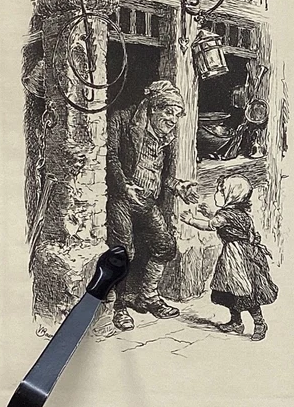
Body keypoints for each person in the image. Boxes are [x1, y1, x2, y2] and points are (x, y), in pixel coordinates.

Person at [107, 80, 198, 331]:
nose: (173, 120)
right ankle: (119, 307)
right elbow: (110, 157)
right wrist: (125, 185)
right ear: (153, 108)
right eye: (168, 112)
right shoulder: (123, 120)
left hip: (146, 201)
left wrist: (177, 186)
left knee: (165, 246)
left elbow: (163, 175)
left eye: (177, 115)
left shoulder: (166, 137)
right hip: (122, 199)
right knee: (123, 252)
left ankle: (147, 296)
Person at [180, 175, 278, 341]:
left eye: (221, 191)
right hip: (240, 255)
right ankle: (236, 322)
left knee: (244, 292)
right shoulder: (241, 213)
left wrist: (190, 220)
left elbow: (210, 225)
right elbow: (222, 221)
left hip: (237, 258)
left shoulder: (225, 215)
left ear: (231, 195)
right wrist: (209, 213)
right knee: (230, 290)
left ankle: (259, 323)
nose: (217, 193)